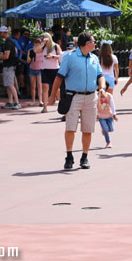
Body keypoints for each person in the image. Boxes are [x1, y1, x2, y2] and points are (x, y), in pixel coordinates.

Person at [48, 32, 106, 169]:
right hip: (73, 96)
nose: (95, 43)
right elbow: (59, 77)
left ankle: (84, 157)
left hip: (91, 96)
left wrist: (102, 88)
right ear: (87, 43)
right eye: (93, 41)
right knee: (70, 128)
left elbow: (100, 75)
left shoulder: (94, 58)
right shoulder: (70, 57)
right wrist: (52, 96)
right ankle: (69, 156)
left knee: (88, 129)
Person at [0, 26, 21, 109]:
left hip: (9, 66)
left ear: (4, 33)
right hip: (9, 65)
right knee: (8, 84)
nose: (0, 34)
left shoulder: (8, 42)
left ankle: (17, 102)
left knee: (10, 84)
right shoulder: (11, 41)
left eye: (1, 32)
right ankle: (10, 101)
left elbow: (6, 56)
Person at [40, 32, 61, 113]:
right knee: (45, 88)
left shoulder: (56, 46)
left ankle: (61, 104)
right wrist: (42, 44)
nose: (43, 40)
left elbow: (61, 56)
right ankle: (45, 107)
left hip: (55, 69)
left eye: (44, 38)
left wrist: (52, 56)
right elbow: (36, 50)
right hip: (45, 69)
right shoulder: (43, 47)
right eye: (42, 39)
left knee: (57, 89)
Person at [97, 84, 118, 148]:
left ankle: (104, 130)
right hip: (101, 116)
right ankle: (108, 142)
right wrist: (96, 115)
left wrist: (114, 114)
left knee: (111, 129)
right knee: (106, 129)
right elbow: (94, 106)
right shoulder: (96, 96)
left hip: (109, 115)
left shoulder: (109, 96)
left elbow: (112, 105)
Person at [27, 37, 44, 106]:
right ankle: (33, 101)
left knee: (39, 85)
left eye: (38, 43)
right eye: (36, 43)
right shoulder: (30, 50)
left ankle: (40, 101)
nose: (37, 44)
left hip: (40, 69)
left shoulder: (43, 51)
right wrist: (31, 55)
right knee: (33, 86)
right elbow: (28, 61)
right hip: (32, 69)